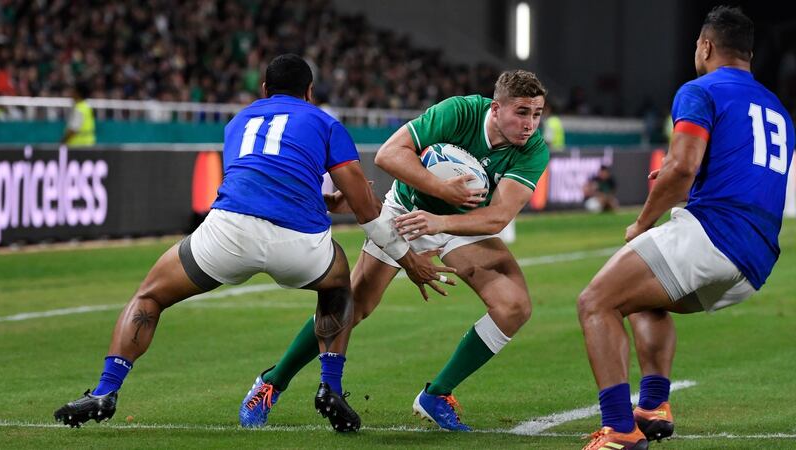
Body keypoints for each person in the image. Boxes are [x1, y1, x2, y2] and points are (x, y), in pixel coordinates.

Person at [53, 54, 453, 432]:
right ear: (310, 91)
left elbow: (260, 182)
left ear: (264, 88)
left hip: (228, 234)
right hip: (298, 245)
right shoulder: (325, 122)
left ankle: (106, 391)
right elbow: (365, 208)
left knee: (149, 298)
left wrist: (319, 200)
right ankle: (330, 385)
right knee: (337, 283)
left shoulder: (237, 122)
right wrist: (405, 257)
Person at [241, 69, 550, 431]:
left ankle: (436, 395)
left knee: (514, 306)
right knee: (351, 306)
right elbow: (388, 155)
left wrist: (441, 222)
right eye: (522, 112)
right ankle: (271, 383)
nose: (530, 124)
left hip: (460, 223)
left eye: (537, 114)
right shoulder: (459, 112)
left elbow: (497, 217)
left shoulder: (533, 148)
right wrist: (440, 188)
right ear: (495, 108)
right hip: (405, 212)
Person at [579, 7, 794, 449]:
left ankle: (619, 429)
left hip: (714, 232)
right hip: (757, 258)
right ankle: (654, 405)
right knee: (639, 298)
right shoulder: (778, 109)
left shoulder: (701, 89)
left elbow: (680, 167)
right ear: (748, 55)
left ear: (706, 46)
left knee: (595, 302)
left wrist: (642, 222)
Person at [61, 81, 96, 147]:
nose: (71, 92)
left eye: (73, 90)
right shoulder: (87, 106)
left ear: (78, 93)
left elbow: (73, 130)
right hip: (89, 144)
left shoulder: (78, 109)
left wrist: (62, 142)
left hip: (77, 147)